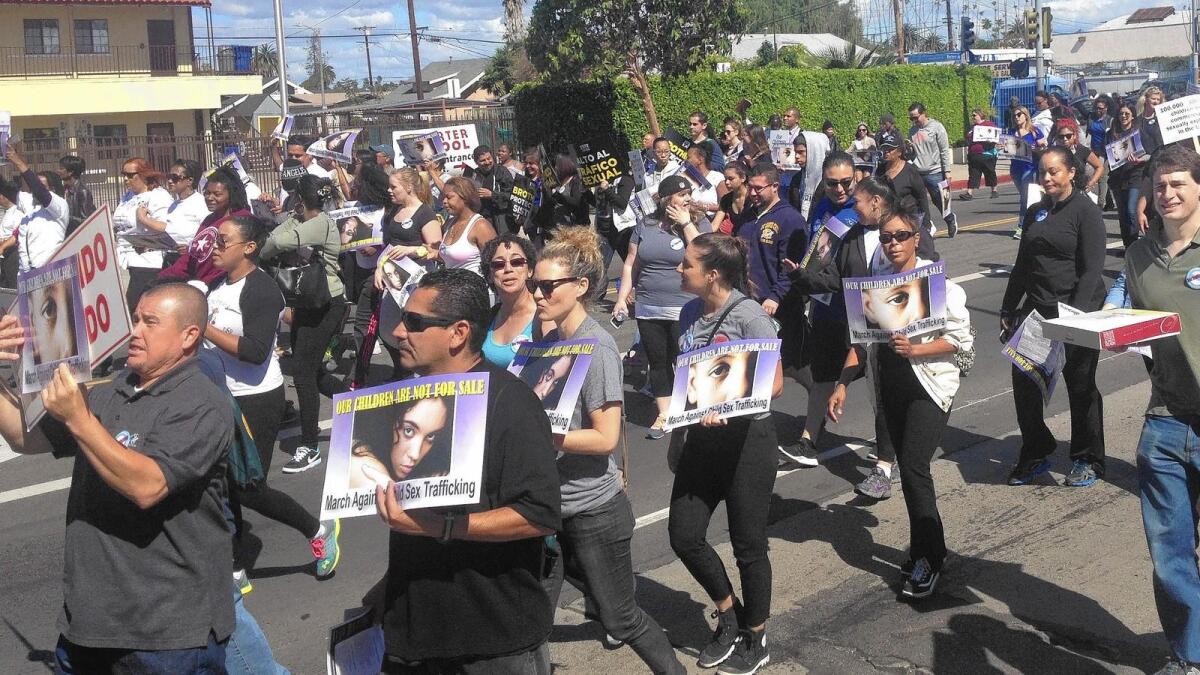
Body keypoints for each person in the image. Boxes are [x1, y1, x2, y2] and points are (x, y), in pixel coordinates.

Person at [0, 283, 235, 672]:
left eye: (150, 322)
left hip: (165, 637)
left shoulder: (201, 402)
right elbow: (25, 437)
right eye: (135, 319)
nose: (135, 331)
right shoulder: (115, 389)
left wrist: (79, 418)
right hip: (89, 627)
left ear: (189, 335)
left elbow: (146, 486)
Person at [374, 268, 561, 673]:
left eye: (415, 322)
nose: (399, 332)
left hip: (491, 643)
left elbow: (539, 513)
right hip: (415, 636)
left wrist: (441, 527)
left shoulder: (511, 404)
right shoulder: (407, 399)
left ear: (458, 333)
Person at [533, 226, 686, 674]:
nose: (538, 295)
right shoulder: (545, 342)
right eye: (533, 286)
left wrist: (541, 436)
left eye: (547, 286)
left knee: (622, 617)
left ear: (580, 287)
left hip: (593, 512)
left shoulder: (596, 348)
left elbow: (604, 439)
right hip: (548, 507)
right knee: (533, 621)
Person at [827, 206, 972, 599]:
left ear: (916, 237)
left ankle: (930, 557)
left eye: (901, 236)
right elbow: (861, 342)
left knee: (912, 467)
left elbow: (961, 342)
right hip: (889, 387)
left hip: (928, 386)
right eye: (886, 237)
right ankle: (926, 548)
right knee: (908, 473)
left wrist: (918, 349)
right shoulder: (874, 286)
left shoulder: (937, 284)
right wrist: (841, 385)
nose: (892, 244)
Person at [203, 214, 342, 587]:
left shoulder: (262, 291)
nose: (215, 247)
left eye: (223, 242)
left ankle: (318, 529)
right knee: (220, 482)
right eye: (215, 240)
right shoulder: (216, 286)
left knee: (249, 486)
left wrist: (203, 328)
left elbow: (254, 350)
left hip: (256, 399)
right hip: (220, 396)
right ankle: (235, 566)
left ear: (249, 248)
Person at [670, 233, 785, 674]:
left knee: (748, 546)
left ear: (711, 274)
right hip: (700, 442)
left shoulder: (749, 315)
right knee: (684, 535)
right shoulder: (687, 313)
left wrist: (728, 407)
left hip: (747, 444)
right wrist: (678, 440)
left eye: (686, 265)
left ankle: (756, 636)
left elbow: (773, 383)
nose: (680, 270)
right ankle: (729, 612)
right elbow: (687, 385)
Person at [1123, 145, 1200, 675]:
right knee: (1171, 558)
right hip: (1166, 421)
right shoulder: (1136, 256)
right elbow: (1134, 324)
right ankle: (1188, 656)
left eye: (1179, 184)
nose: (1168, 194)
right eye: (1160, 185)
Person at [1001, 146, 1107, 487]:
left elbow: (1091, 269)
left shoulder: (1085, 211)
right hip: (1036, 312)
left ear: (1071, 173)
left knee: (1080, 386)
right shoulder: (1035, 211)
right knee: (1024, 382)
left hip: (1077, 311)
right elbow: (1022, 264)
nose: (1046, 177)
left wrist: (1072, 318)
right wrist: (1008, 306)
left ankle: (1086, 457)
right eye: (1042, 171)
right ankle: (1036, 450)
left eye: (1054, 171)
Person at [613, 175, 709, 440]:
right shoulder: (646, 225)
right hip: (649, 307)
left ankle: (694, 408)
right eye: (681, 195)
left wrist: (686, 223)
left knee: (687, 360)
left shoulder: (697, 222)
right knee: (658, 362)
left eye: (689, 193)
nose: (687, 198)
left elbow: (705, 253)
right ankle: (665, 413)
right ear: (667, 200)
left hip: (686, 307)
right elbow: (631, 263)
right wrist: (622, 298)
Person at [261, 175, 346, 474]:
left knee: (303, 373)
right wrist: (294, 218)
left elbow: (279, 241)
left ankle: (310, 447)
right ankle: (356, 404)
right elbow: (270, 242)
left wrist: (291, 222)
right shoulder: (303, 220)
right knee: (312, 371)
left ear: (301, 198)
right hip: (306, 302)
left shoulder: (321, 222)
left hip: (328, 303)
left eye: (297, 199)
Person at [158, 167, 252, 287]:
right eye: (207, 193)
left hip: (224, 286)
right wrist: (162, 278)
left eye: (217, 194)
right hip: (198, 285)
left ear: (231, 194)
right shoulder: (209, 220)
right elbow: (189, 259)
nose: (209, 198)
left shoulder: (242, 219)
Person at [481, 233, 548, 368]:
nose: (508, 269)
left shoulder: (544, 315)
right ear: (489, 275)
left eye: (516, 262)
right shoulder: (487, 318)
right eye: (498, 264)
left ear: (530, 270)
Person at [113, 157, 173, 307]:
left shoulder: (158, 196)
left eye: (130, 175)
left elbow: (167, 228)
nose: (125, 179)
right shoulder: (128, 196)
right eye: (123, 175)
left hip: (147, 260)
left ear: (144, 174)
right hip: (124, 258)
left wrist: (144, 219)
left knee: (136, 306)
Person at [2, 146, 68, 273]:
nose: (34, 189)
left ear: (53, 189)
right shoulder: (31, 204)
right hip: (26, 275)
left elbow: (38, 190)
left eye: (42, 185)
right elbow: (6, 189)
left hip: (49, 271)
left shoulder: (59, 206)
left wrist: (17, 161)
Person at [137, 159, 208, 256]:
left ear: (189, 181)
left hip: (191, 259)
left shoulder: (201, 204)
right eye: (169, 176)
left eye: (175, 177)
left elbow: (208, 233)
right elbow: (169, 231)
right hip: (171, 257)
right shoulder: (173, 205)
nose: (170, 181)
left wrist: (191, 247)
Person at [906, 102, 956, 237]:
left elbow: (944, 150)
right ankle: (927, 226)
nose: (914, 121)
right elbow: (913, 153)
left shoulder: (936, 127)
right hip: (918, 172)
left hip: (935, 171)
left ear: (923, 114)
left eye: (916, 117)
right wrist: (909, 149)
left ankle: (950, 219)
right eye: (911, 118)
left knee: (940, 200)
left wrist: (947, 171)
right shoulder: (912, 131)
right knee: (919, 202)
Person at [877, 130, 935, 242]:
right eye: (884, 149)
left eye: (890, 149)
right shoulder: (880, 170)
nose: (886, 152)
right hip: (888, 220)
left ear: (899, 152)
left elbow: (922, 197)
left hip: (909, 219)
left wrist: (926, 223)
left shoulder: (910, 171)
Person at [1107, 101, 1150, 248]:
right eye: (1121, 114)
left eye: (1127, 114)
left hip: (1135, 176)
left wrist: (1140, 159)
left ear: (1132, 116)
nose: (1123, 116)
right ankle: (1128, 248)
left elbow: (1151, 153)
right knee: (1122, 215)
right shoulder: (1111, 133)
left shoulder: (1139, 132)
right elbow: (1106, 154)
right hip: (1117, 178)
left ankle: (1137, 245)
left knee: (1132, 211)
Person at [439, 176, 498, 278]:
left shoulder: (480, 226)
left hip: (477, 290)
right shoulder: (448, 224)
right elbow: (451, 257)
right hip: (453, 290)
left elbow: (495, 261)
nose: (444, 201)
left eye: (449, 197)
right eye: (443, 197)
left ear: (465, 197)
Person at [1007, 105, 1046, 239]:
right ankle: (1039, 220)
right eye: (1014, 116)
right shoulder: (1012, 132)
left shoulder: (1034, 131)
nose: (1016, 117)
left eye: (1019, 115)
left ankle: (1021, 227)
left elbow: (1043, 147)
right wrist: (1002, 147)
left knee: (1024, 199)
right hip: (1015, 169)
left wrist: (1036, 148)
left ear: (1025, 115)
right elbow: (1009, 150)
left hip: (1029, 169)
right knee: (1029, 199)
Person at [465, 145, 515, 235]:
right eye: (483, 160)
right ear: (476, 162)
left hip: (501, 219)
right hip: (482, 219)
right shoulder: (473, 175)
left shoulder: (502, 172)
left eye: (489, 158)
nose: (487, 162)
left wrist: (492, 195)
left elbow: (512, 196)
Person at [1054, 118, 1105, 198]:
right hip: (1060, 194)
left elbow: (1100, 167)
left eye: (1068, 136)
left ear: (1074, 136)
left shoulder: (1082, 150)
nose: (1065, 139)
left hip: (1079, 193)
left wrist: (1092, 182)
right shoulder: (1054, 153)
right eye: (1061, 136)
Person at [962, 109, 1000, 200]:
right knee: (973, 174)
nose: (973, 117)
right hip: (974, 155)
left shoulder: (989, 125)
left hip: (987, 154)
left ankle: (994, 190)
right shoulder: (973, 127)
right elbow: (968, 137)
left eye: (974, 115)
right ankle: (969, 193)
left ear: (980, 115)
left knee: (990, 172)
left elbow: (995, 136)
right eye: (972, 115)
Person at [57, 155, 96, 235]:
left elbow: (85, 220)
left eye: (61, 169)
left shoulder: (82, 191)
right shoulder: (63, 190)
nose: (58, 171)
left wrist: (65, 217)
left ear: (70, 172)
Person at [549, 154, 590, 229]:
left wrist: (557, 195)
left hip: (577, 229)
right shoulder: (557, 182)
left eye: (556, 166)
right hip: (561, 228)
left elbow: (576, 202)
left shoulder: (576, 181)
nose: (554, 169)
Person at [1088, 96, 1114, 210]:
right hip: (1095, 150)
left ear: (1106, 108)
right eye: (1097, 108)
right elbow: (1089, 131)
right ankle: (1109, 202)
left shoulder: (1110, 120)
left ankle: (1100, 203)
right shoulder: (1092, 118)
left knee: (1102, 177)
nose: (1098, 110)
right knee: (1101, 178)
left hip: (1106, 152)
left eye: (1101, 108)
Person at [686, 145, 727, 217]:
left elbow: (726, 205)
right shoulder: (688, 177)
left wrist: (705, 207)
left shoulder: (717, 177)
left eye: (689, 158)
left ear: (700, 160)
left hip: (710, 221)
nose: (686, 161)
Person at [713, 163, 752, 236]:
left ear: (743, 178)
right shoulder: (726, 199)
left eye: (731, 179)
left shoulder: (753, 197)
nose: (727, 182)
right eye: (725, 179)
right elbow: (715, 225)